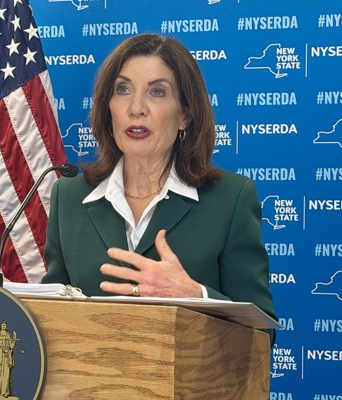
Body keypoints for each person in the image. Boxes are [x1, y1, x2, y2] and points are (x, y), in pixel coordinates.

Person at [42, 33, 277, 345]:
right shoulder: (69, 196)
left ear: (185, 115)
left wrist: (196, 296)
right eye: (123, 90)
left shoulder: (231, 199)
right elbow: (49, 315)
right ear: (107, 107)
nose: (136, 108)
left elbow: (262, 334)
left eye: (157, 92)